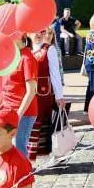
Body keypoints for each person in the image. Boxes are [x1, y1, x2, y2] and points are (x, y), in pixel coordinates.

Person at [29, 29, 66, 159]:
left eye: (41, 32)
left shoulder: (48, 49)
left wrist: (59, 96)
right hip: (28, 94)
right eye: (35, 32)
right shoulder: (27, 49)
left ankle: (46, 155)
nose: (38, 34)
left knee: (43, 122)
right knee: (29, 123)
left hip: (44, 94)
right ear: (29, 33)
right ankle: (29, 155)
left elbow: (55, 73)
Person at [2, 35, 39, 156]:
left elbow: (31, 90)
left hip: (23, 113)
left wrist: (19, 114)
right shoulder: (11, 57)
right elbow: (7, 84)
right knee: (9, 147)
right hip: (9, 109)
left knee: (19, 147)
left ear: (20, 38)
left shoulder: (27, 58)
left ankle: (24, 173)